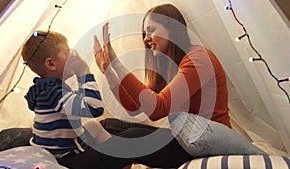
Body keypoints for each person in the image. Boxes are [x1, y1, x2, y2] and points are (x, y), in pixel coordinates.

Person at [94, 2, 265, 161]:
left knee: (132, 135)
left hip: (206, 142)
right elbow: (135, 108)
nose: (146, 38)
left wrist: (117, 64)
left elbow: (157, 109)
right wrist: (109, 72)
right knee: (108, 125)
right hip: (184, 139)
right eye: (145, 33)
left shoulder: (199, 59)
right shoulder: (166, 68)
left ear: (172, 29)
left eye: (151, 29)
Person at [21, 30, 111, 158]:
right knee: (122, 151)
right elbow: (94, 108)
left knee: (93, 125)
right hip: (63, 155)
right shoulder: (53, 93)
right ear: (51, 64)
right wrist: (85, 73)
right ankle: (117, 159)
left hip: (53, 147)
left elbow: (78, 102)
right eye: (67, 53)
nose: (73, 56)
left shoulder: (45, 88)